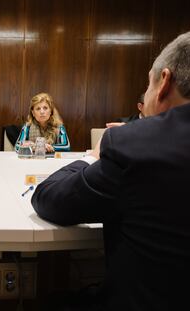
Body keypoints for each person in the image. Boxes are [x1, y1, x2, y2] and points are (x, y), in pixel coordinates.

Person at [31, 31, 190, 311]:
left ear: (163, 82)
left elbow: (49, 199)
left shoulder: (133, 146)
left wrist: (94, 156)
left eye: (148, 84)